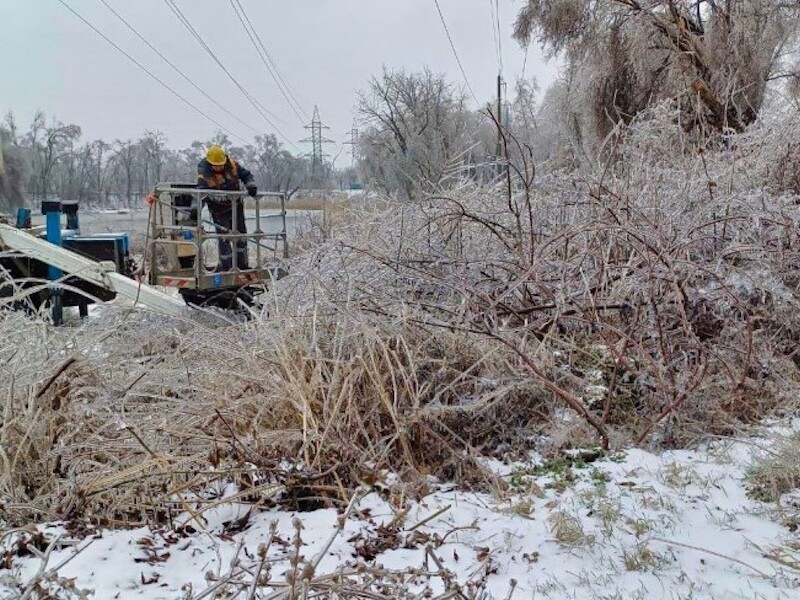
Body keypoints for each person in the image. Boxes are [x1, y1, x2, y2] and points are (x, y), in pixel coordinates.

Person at [197, 145, 257, 270]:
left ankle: (242, 265)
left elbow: (246, 175)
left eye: (221, 164)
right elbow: (201, 192)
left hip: (236, 206)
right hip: (218, 210)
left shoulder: (233, 165)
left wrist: (250, 185)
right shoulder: (204, 172)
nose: (219, 167)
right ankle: (227, 266)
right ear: (209, 163)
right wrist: (196, 208)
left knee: (241, 235)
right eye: (215, 165)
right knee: (224, 237)